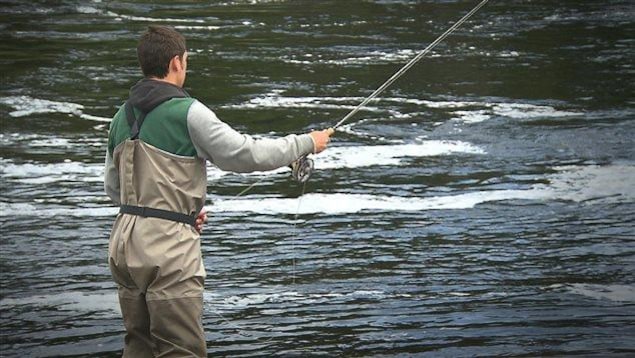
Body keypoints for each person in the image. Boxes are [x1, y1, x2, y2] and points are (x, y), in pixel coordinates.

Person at [104, 25, 333, 357]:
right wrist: (307, 143)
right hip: (167, 251)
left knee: (139, 346)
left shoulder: (119, 119)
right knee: (181, 350)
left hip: (124, 246)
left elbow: (115, 191)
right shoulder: (188, 112)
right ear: (176, 63)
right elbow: (245, 154)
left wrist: (172, 211)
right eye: (185, 61)